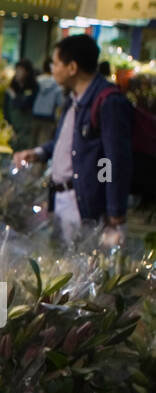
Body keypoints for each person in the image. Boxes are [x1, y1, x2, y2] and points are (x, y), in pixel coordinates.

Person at [13, 34, 132, 243]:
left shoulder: (108, 101)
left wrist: (114, 211)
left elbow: (114, 160)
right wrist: (39, 153)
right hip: (62, 198)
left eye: (56, 63)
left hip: (86, 204)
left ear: (72, 68)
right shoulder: (73, 99)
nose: (52, 68)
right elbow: (65, 142)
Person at [31, 56, 65, 147]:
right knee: (41, 147)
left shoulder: (35, 81)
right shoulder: (57, 84)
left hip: (34, 116)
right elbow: (61, 103)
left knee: (30, 145)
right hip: (48, 119)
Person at [5, 59, 38, 152]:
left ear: (27, 72)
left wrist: (14, 97)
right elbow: (6, 109)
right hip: (12, 129)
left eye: (20, 70)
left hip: (26, 131)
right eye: (17, 70)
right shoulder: (11, 87)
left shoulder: (33, 87)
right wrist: (9, 126)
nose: (18, 73)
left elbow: (25, 105)